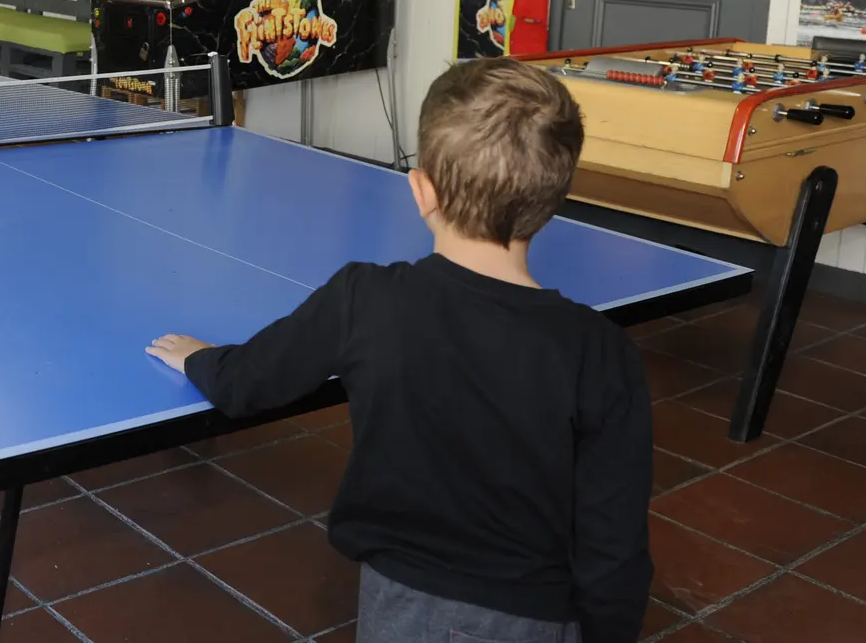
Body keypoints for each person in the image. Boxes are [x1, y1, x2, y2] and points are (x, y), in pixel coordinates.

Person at [146, 58, 652, 643]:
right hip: (540, 616)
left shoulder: (364, 298)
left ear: (421, 191)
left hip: (405, 608)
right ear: (553, 199)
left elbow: (248, 384)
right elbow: (614, 543)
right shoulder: (601, 350)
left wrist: (200, 359)